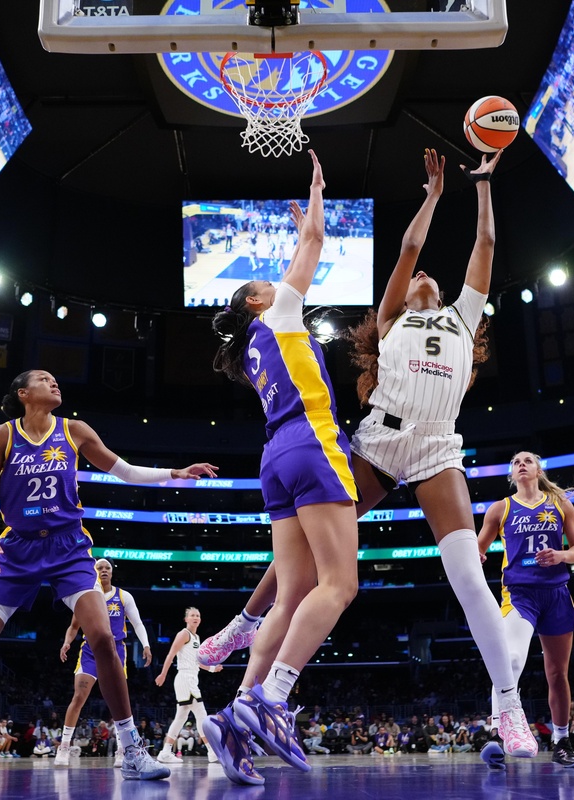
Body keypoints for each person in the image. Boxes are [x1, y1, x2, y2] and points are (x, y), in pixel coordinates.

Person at [199, 149, 535, 773]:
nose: (421, 274)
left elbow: (486, 244)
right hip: (375, 441)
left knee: (467, 575)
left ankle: (508, 705)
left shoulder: (463, 318)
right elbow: (407, 248)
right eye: (413, 276)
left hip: (436, 448)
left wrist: (484, 185)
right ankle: (244, 631)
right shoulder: (390, 317)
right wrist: (431, 198)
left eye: (428, 276)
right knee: (310, 569)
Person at [0, 369, 216, 783]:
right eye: (44, 379)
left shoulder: (74, 430)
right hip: (17, 549)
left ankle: (132, 749)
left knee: (102, 637)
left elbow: (123, 470)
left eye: (55, 380)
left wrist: (174, 473)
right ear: (23, 393)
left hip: (68, 548)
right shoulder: (3, 435)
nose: (55, 383)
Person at [203, 151, 359, 786]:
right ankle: (273, 696)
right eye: (267, 282)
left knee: (292, 596)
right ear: (255, 301)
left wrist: (300, 235)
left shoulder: (253, 346)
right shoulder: (279, 314)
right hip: (313, 440)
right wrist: (317, 193)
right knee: (340, 585)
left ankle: (235, 718)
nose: (278, 281)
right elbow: (317, 242)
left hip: (275, 456)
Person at [477, 451, 574, 768]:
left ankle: (561, 741)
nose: (521, 464)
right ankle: (498, 735)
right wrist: (475, 556)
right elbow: (478, 549)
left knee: (557, 674)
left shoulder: (561, 504)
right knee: (510, 659)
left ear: (538, 470)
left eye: (527, 460)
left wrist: (561, 556)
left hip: (556, 595)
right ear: (512, 474)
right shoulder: (500, 508)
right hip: (519, 594)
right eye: (516, 462)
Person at [55, 557, 153, 768]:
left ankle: (122, 750)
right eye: (99, 567)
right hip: (90, 651)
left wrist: (146, 645)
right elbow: (73, 626)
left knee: (118, 702)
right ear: (94, 572)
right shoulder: (86, 597)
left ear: (112, 572)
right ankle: (63, 747)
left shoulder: (123, 596)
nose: (104, 570)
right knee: (79, 697)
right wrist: (66, 642)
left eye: (107, 567)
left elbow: (137, 623)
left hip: (115, 651)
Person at [153, 607, 222, 764]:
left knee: (181, 717)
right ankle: (211, 751)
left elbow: (197, 662)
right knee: (201, 714)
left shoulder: (196, 637)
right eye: (192, 615)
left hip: (191, 678)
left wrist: (212, 669)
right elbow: (171, 654)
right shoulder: (184, 634)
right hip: (185, 678)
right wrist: (163, 674)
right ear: (186, 619)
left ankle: (165, 752)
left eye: (198, 615)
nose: (195, 617)